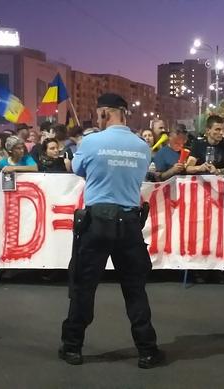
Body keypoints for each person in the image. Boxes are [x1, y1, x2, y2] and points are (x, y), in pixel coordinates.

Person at [60, 93, 164, 369]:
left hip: (96, 223)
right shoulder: (143, 147)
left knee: (84, 287)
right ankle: (147, 350)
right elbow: (139, 177)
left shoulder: (91, 141)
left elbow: (78, 169)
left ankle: (72, 348)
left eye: (98, 113)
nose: (97, 118)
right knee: (135, 289)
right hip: (129, 224)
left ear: (105, 113)